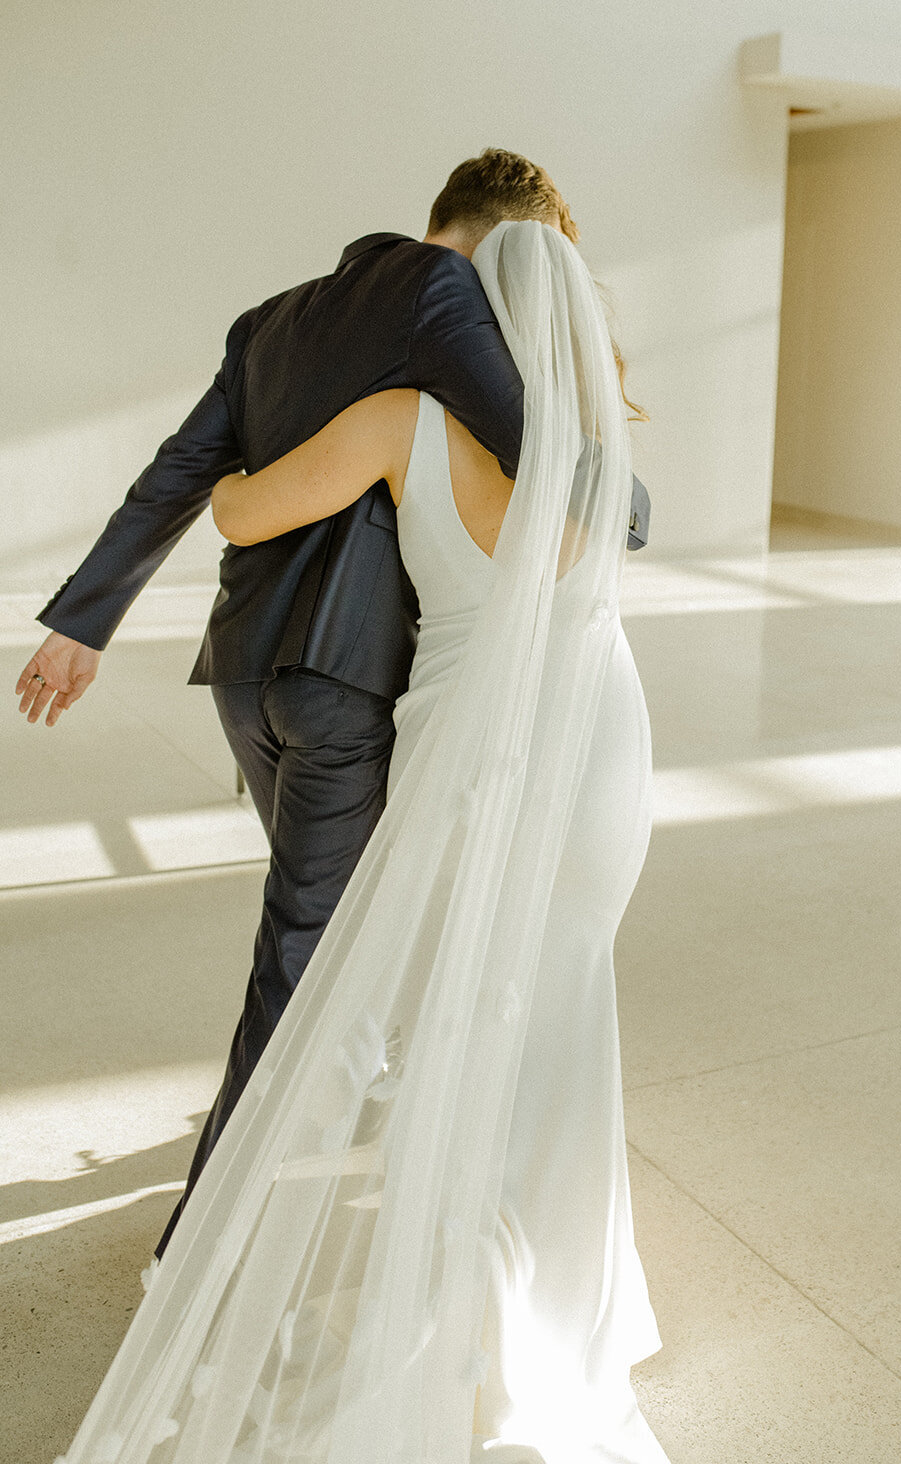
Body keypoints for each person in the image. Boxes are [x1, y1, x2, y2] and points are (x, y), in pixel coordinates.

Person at [53, 219, 670, 1464]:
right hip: (602, 748)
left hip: (461, 751)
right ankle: (572, 1311)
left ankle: (444, 1297)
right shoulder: (600, 463)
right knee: (565, 1011)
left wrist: (268, 475)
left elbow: (232, 505)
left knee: (451, 1013)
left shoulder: (398, 422)